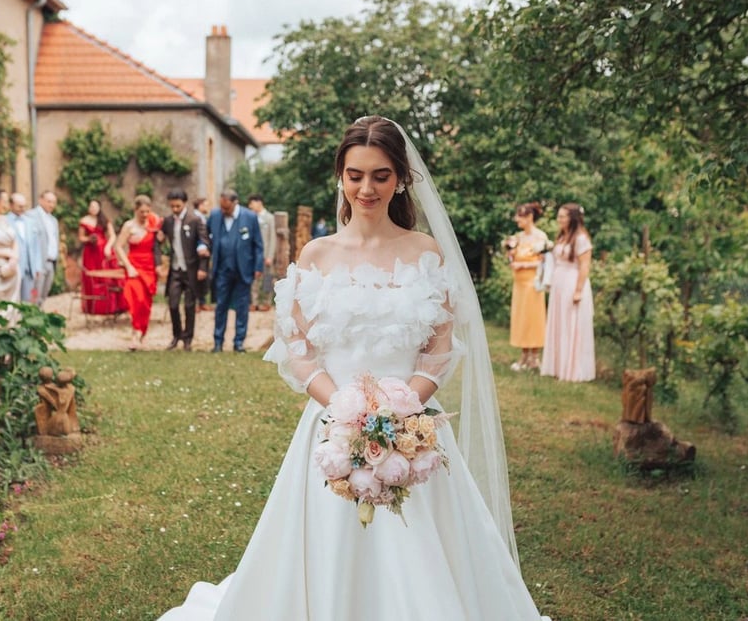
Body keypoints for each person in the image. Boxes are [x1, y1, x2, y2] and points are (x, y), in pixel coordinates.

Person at [159, 116, 546, 620]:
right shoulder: (317, 255)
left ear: (401, 178)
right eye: (356, 174)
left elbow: (438, 349)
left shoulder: (424, 252)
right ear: (340, 176)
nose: (367, 187)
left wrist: (400, 406)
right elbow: (299, 350)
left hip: (412, 429)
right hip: (330, 429)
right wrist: (344, 410)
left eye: (381, 175)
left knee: (423, 554)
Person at [541, 202, 595, 382]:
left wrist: (578, 291)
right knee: (560, 324)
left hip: (573, 283)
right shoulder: (563, 237)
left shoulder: (581, 239)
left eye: (562, 216)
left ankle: (573, 370)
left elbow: (585, 265)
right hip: (559, 284)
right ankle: (557, 367)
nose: (559, 219)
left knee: (571, 326)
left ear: (572, 218)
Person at [206, 189, 263, 353]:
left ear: (235, 203)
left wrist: (258, 267)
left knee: (242, 308)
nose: (224, 211)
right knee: (221, 306)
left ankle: (239, 342)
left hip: (243, 269)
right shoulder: (215, 215)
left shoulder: (250, 217)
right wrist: (203, 246)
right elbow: (205, 235)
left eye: (227, 208)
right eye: (222, 207)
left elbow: (258, 244)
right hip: (222, 269)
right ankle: (218, 342)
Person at [159, 190, 210, 351]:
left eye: (178, 206)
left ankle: (188, 338)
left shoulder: (195, 220)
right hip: (175, 270)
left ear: (185, 203)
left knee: (189, 306)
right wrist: (158, 258)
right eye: (172, 206)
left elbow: (205, 244)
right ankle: (176, 335)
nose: (175, 209)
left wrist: (202, 268)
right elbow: (158, 240)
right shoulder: (167, 221)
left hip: (191, 270)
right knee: (173, 304)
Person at [114, 195, 161, 351]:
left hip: (149, 266)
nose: (145, 215)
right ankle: (135, 333)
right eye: (142, 211)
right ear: (135, 210)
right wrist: (128, 266)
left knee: (146, 303)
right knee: (135, 298)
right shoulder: (129, 226)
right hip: (134, 265)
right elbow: (118, 246)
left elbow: (161, 240)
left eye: (148, 211)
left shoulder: (153, 224)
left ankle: (142, 334)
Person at [508, 202, 550, 371]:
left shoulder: (541, 237)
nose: (517, 219)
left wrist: (523, 266)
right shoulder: (518, 237)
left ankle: (534, 356)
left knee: (534, 319)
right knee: (522, 319)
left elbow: (544, 262)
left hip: (533, 283)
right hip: (518, 284)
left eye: (520, 216)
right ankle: (524, 355)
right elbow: (513, 258)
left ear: (530, 217)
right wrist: (511, 256)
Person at [78, 199, 124, 315]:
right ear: (88, 208)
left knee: (108, 277)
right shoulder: (84, 221)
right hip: (91, 253)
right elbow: (81, 237)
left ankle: (112, 306)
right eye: (91, 206)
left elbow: (112, 235)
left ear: (99, 208)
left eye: (95, 206)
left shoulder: (104, 220)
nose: (93, 208)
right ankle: (95, 306)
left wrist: (108, 247)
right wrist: (89, 239)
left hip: (104, 251)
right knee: (93, 277)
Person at [6, 193, 47, 305]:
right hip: (12, 268)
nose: (23, 209)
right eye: (19, 206)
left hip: (29, 269)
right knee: (12, 301)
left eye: (24, 206)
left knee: (27, 302)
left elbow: (36, 247)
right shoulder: (4, 221)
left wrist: (37, 267)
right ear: (11, 205)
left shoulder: (30, 222)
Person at [27, 190, 60, 306]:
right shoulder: (30, 216)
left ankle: (39, 318)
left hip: (51, 262)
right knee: (34, 295)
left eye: (54, 202)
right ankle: (31, 320)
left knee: (44, 294)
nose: (51, 205)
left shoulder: (53, 220)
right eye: (49, 201)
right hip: (38, 263)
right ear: (40, 200)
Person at [246, 194, 276, 311]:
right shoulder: (250, 217)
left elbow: (272, 238)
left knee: (268, 278)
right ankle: (254, 302)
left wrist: (270, 256)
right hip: (253, 255)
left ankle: (267, 302)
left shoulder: (269, 218)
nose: (250, 206)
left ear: (259, 202)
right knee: (254, 280)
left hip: (266, 254)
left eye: (251, 203)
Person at [192, 196, 212, 312]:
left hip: (204, 251)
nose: (208, 207)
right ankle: (194, 302)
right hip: (196, 253)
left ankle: (201, 301)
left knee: (203, 277)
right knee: (195, 277)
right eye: (206, 204)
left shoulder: (204, 218)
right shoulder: (194, 218)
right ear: (200, 205)